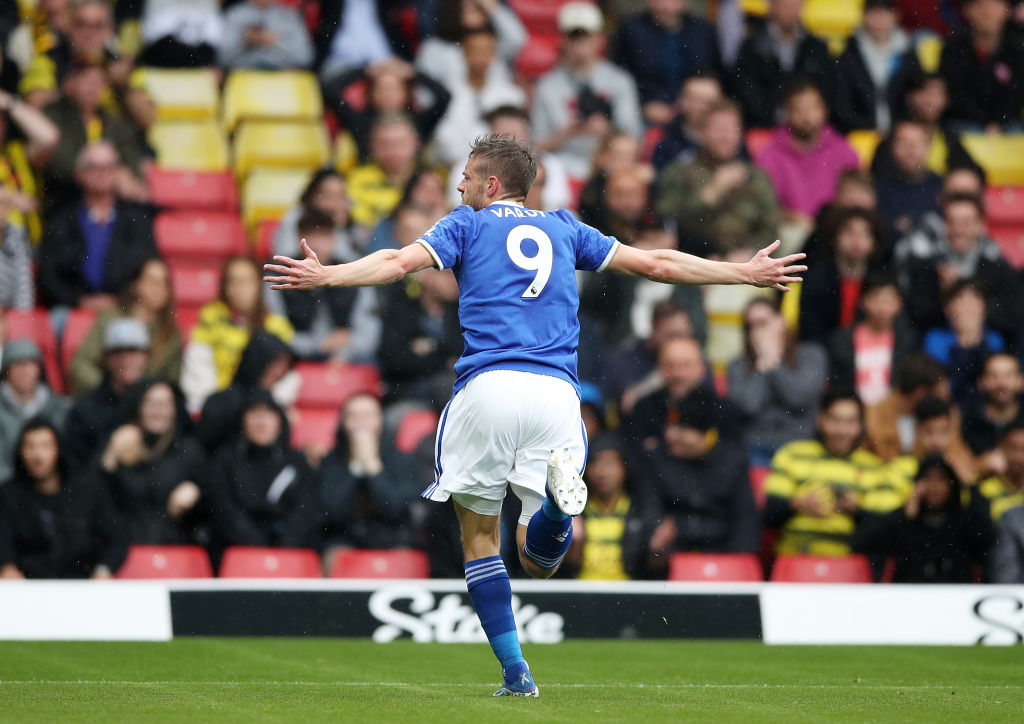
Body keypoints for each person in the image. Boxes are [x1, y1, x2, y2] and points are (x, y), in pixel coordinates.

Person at [264, 133, 804, 696]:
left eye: (467, 176)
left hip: (490, 386)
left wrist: (330, 275)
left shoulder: (466, 224)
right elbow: (656, 263)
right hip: (557, 395)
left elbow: (398, 262)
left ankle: (516, 672)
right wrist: (741, 273)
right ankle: (553, 508)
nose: (459, 185)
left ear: (492, 183)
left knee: (479, 540)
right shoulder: (566, 227)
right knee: (538, 559)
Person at [763, 388, 908, 556]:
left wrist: (857, 511)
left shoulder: (874, 467)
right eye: (835, 420)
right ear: (820, 419)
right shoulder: (792, 454)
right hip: (796, 558)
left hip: (849, 563)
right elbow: (769, 515)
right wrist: (798, 504)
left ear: (860, 425)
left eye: (850, 422)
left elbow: (884, 530)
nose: (841, 430)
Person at [638, 391, 760, 576]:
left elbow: (745, 522)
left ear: (705, 435)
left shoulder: (732, 462)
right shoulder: (657, 460)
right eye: (670, 425)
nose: (669, 435)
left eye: (681, 428)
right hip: (671, 560)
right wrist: (656, 540)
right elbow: (650, 513)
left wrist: (733, 566)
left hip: (722, 559)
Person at [37, 141, 157, 312]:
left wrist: (119, 302)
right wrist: (80, 301)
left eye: (109, 167)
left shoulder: (137, 220)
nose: (102, 174)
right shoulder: (60, 220)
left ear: (118, 172)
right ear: (79, 174)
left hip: (125, 309)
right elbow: (47, 276)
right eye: (94, 167)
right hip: (70, 309)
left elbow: (149, 270)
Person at [0, 418, 126, 579]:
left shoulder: (86, 490)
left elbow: (117, 536)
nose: (38, 455)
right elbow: (3, 540)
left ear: (58, 449)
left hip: (81, 584)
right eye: (30, 447)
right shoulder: (8, 495)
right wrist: (7, 566)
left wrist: (104, 569)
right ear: (20, 451)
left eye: (45, 446)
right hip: (28, 586)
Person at [531, 2, 642, 180]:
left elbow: (634, 137)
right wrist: (568, 132)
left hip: (611, 168)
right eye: (574, 37)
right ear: (563, 40)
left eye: (586, 36)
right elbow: (536, 147)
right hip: (562, 171)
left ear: (600, 39)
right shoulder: (547, 86)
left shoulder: (619, 81)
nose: (580, 44)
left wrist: (608, 131)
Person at [656, 98, 779, 255]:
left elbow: (770, 229)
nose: (725, 137)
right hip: (692, 260)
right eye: (719, 129)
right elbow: (670, 225)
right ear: (702, 132)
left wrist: (749, 252)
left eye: (732, 129)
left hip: (744, 262)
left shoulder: (756, 176)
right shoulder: (678, 172)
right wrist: (712, 192)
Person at [894, 193, 1023, 342]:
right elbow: (916, 319)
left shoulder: (1000, 270)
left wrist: (973, 305)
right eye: (951, 222)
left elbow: (1013, 317)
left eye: (966, 223)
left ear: (981, 226)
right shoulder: (926, 268)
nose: (958, 230)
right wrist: (944, 293)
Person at [205, 389, 321, 551]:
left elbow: (304, 512)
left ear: (280, 421)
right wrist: (258, 548)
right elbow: (225, 510)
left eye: (268, 414)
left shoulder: (297, 462)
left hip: (288, 550)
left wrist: (282, 548)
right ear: (242, 420)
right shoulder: (224, 461)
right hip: (237, 549)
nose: (261, 422)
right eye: (254, 413)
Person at [98, 379, 207, 545]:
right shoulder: (119, 441)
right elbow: (92, 500)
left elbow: (212, 509)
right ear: (138, 407)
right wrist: (110, 456)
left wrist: (196, 492)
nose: (158, 411)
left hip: (174, 547)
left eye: (165, 404)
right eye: (151, 403)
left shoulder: (188, 450)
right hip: (122, 547)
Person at [180, 256, 294, 412]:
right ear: (224, 287)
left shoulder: (277, 327)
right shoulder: (209, 321)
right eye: (234, 281)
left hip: (261, 408)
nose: (241, 289)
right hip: (220, 407)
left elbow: (287, 377)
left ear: (259, 285)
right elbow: (198, 375)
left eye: (247, 281)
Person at [855, 455, 994, 582]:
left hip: (955, 597)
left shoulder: (963, 521)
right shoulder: (906, 522)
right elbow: (864, 542)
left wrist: (972, 487)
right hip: (911, 596)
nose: (934, 486)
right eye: (927, 479)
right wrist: (904, 513)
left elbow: (989, 535)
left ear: (952, 484)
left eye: (941, 479)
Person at [265, 209, 380, 362]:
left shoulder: (353, 273)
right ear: (297, 238)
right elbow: (275, 333)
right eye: (309, 236)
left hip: (348, 359)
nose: (316, 245)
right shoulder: (279, 274)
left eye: (324, 236)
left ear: (334, 239)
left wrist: (343, 353)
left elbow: (369, 335)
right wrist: (318, 345)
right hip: (292, 360)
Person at [727, 297, 827, 466]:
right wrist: (762, 365)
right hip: (754, 447)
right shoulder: (738, 365)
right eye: (750, 326)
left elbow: (798, 398)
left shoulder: (811, 355)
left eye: (762, 323)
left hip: (799, 445)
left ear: (781, 322)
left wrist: (775, 364)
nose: (756, 332)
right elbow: (749, 406)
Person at [43, 61, 150, 213]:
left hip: (112, 203)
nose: (93, 89)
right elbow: (60, 166)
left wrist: (123, 176)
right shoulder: (55, 116)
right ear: (71, 83)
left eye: (99, 83)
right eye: (87, 82)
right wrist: (108, 174)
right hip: (67, 202)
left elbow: (132, 165)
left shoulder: (113, 122)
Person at [755, 81, 861, 231]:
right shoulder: (769, 156)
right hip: (790, 231)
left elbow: (858, 200)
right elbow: (760, 208)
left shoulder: (844, 152)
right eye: (798, 109)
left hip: (837, 230)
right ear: (787, 113)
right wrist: (790, 217)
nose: (806, 117)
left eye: (812, 108)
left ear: (824, 110)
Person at [320, 392, 418, 553]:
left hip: (394, 539)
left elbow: (396, 509)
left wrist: (373, 466)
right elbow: (331, 512)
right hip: (344, 539)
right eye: (353, 416)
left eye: (368, 415)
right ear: (343, 423)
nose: (361, 422)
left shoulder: (402, 460)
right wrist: (355, 467)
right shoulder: (331, 461)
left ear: (381, 420)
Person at [71, 258, 183, 396]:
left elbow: (172, 381)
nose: (158, 288)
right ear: (135, 284)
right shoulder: (110, 318)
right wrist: (107, 393)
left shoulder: (171, 334)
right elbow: (81, 364)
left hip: (147, 403)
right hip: (105, 399)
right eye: (152, 281)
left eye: (164, 283)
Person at [610, 0, 722, 125]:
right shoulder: (630, 29)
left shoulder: (704, 29)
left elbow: (715, 74)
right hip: (646, 111)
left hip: (697, 109)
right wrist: (643, 105)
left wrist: (688, 103)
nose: (666, 6)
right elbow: (618, 76)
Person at [61, 317, 152, 468]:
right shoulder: (85, 410)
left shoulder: (164, 403)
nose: (125, 359)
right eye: (118, 352)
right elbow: (75, 470)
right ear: (106, 358)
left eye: (133, 351)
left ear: (146, 357)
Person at [431, 26, 526, 166]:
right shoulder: (445, 93)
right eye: (476, 51)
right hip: (453, 166)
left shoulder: (512, 95)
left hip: (501, 168)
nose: (482, 58)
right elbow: (442, 136)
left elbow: (518, 139)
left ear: (495, 55)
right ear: (464, 54)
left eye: (487, 51)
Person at [325, 56, 450, 162]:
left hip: (411, 180)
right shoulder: (359, 121)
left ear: (406, 93)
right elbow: (330, 89)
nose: (387, 94)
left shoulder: (419, 122)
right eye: (381, 89)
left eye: (394, 89)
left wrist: (413, 72)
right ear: (371, 94)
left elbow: (444, 97)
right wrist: (366, 71)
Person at [732, 0, 833, 129]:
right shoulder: (751, 48)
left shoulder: (817, 48)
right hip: (764, 128)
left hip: (808, 129)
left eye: (796, 6)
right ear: (772, 6)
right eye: (786, 5)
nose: (791, 11)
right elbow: (747, 93)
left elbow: (826, 90)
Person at [196, 331, 299, 455]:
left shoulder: (276, 407)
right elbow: (204, 449)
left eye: (285, 366)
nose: (280, 373)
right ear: (257, 361)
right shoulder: (221, 402)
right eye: (275, 364)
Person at [561, 433, 646, 580]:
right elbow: (562, 570)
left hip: (627, 591)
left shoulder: (640, 510)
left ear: (624, 467)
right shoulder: (574, 510)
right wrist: (572, 543)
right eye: (595, 463)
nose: (602, 472)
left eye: (609, 463)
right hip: (582, 590)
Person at [827, 272, 918, 406]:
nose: (882, 308)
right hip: (855, 412)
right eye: (876, 300)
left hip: (893, 412)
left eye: (888, 301)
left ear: (899, 304)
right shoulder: (842, 340)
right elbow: (838, 384)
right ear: (862, 301)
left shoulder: (908, 340)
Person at [797, 207, 885, 345]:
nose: (856, 240)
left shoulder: (882, 281)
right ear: (835, 238)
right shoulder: (817, 280)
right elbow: (810, 330)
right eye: (849, 232)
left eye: (865, 234)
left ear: (874, 242)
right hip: (825, 349)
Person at [940, 0, 1024, 131]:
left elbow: (1017, 94)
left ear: (1007, 10)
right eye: (980, 6)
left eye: (995, 5)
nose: (988, 13)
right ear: (966, 11)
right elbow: (955, 93)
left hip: (1007, 124)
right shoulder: (954, 47)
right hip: (963, 122)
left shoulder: (1017, 48)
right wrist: (985, 123)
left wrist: (998, 123)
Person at [831, 0, 911, 134]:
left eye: (885, 13)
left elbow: (914, 98)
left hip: (901, 135)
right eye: (874, 13)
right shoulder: (847, 55)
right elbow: (841, 105)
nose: (879, 20)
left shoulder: (908, 53)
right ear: (863, 16)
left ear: (896, 16)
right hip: (857, 134)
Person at [923, 279, 1006, 406]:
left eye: (975, 298)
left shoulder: (995, 339)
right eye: (961, 299)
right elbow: (939, 384)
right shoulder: (935, 339)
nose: (969, 306)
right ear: (947, 308)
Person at [863, 352, 956, 461]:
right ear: (920, 393)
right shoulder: (874, 416)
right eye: (939, 396)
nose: (944, 402)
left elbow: (958, 456)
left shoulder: (948, 415)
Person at [415, 0, 527, 90]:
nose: (481, 15)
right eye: (474, 9)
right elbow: (425, 91)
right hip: (454, 110)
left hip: (495, 107)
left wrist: (493, 8)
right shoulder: (435, 48)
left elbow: (518, 39)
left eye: (483, 10)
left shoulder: (495, 43)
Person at [0, 340, 71, 482]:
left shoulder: (61, 408)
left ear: (39, 369)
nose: (24, 371)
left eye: (30, 364)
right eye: (17, 364)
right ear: (6, 372)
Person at [873, 119, 944, 245]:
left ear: (929, 146)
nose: (910, 151)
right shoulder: (878, 189)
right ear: (892, 147)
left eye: (916, 143)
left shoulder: (944, 187)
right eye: (903, 143)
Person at [346, 114, 423, 228]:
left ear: (415, 143)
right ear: (371, 145)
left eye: (400, 143)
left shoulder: (430, 181)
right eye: (384, 144)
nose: (392, 151)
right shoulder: (354, 180)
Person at [271, 169, 362, 262]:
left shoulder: (347, 219)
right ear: (312, 196)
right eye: (327, 196)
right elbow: (284, 258)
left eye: (340, 196)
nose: (334, 203)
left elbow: (355, 260)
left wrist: (342, 227)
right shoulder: (295, 218)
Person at [650, 72, 723, 171]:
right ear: (682, 101)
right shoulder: (664, 139)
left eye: (710, 102)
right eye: (697, 101)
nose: (704, 108)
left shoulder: (732, 139)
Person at [218, 0, 314, 70]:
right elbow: (223, 59)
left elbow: (305, 57)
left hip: (284, 80)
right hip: (244, 78)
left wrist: (276, 42)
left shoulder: (289, 16)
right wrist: (245, 42)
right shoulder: (235, 15)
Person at [962, 352, 1024, 456]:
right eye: (993, 376)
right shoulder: (967, 419)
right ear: (981, 382)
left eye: (1008, 375)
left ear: (1021, 381)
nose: (1001, 383)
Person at [0, 190, 35, 310]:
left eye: (4, 204)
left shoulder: (17, 235)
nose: (1, 210)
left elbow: (23, 281)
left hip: (11, 311)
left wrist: (22, 314)